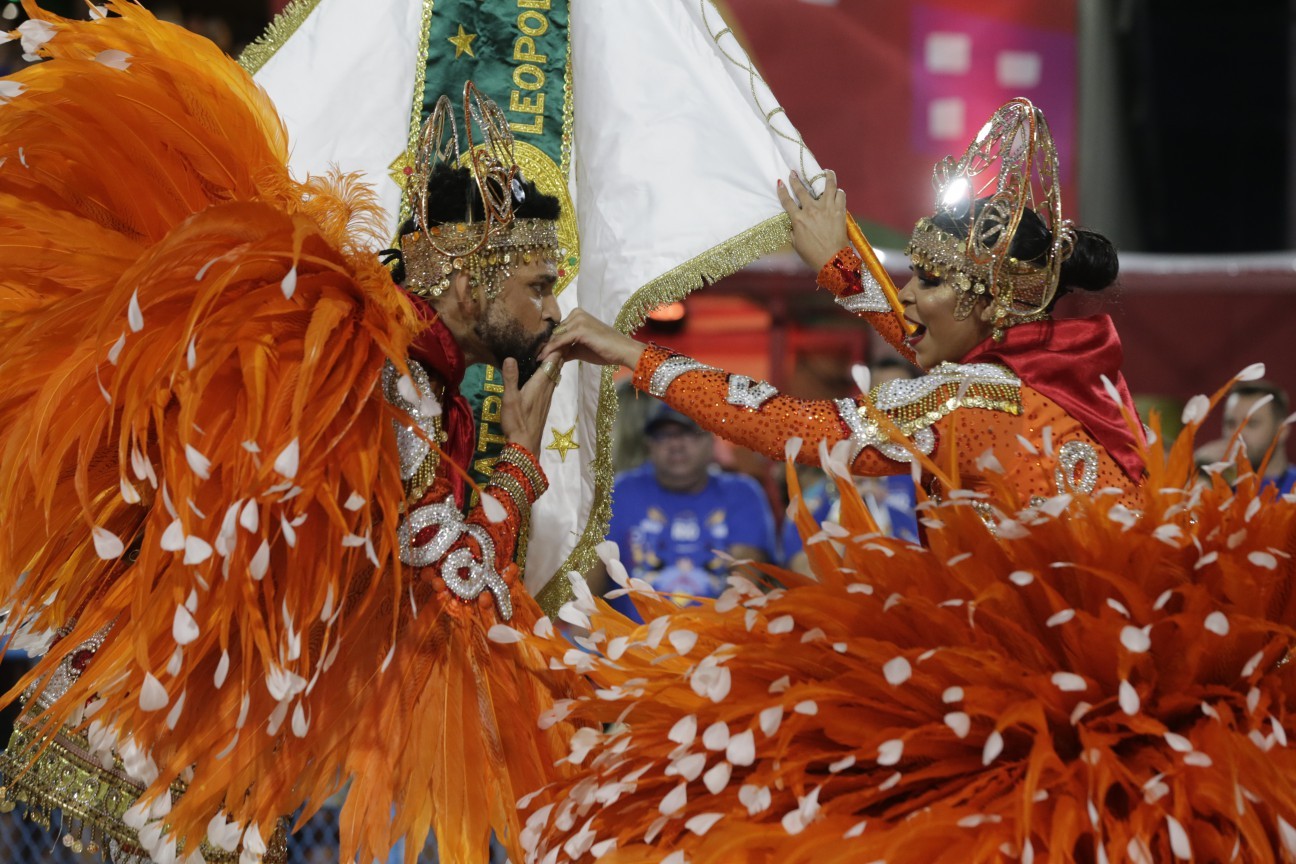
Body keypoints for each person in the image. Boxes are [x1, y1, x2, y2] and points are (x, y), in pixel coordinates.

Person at [520, 99, 1296, 863]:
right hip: (1134, 708)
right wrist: (835, 261)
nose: (911, 297)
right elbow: (938, 337)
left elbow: (796, 428)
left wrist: (635, 356)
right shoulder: (1075, 373)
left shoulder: (965, 401)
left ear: (988, 300)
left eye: (927, 281)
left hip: (1039, 722)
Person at [0, 7, 582, 864]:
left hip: (165, 758)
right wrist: (522, 467)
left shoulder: (392, 371)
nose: (553, 312)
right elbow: (451, 598)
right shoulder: (384, 378)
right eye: (539, 284)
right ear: (468, 275)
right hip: (152, 767)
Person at [599, 402, 777, 620]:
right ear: (649, 446)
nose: (676, 445)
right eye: (664, 435)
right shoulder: (622, 491)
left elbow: (744, 581)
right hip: (633, 643)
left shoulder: (741, 492)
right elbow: (594, 573)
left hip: (719, 640)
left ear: (711, 440)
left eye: (688, 433)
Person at [1197, 380, 1296, 494]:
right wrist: (1197, 470)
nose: (1238, 434)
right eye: (1231, 423)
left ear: (1282, 430)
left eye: (1252, 423)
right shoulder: (1211, 485)